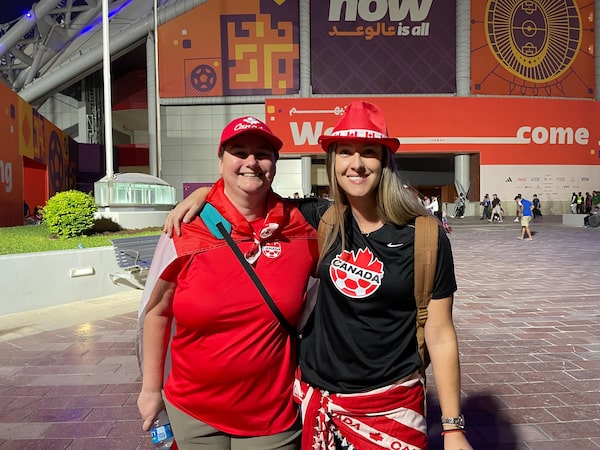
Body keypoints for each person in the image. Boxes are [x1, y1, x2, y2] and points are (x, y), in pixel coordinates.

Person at [167, 102, 472, 450]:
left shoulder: (425, 237)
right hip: (314, 400)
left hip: (389, 406)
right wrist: (202, 195)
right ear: (332, 161)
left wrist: (453, 428)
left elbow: (441, 333)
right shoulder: (319, 218)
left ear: (385, 161)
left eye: (369, 152)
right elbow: (249, 190)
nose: (356, 164)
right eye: (345, 152)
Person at [137, 116, 319, 450]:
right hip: (192, 412)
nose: (251, 161)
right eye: (239, 152)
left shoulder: (302, 229)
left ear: (275, 165)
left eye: (263, 153)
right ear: (221, 161)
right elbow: (157, 312)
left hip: (273, 417)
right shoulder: (185, 227)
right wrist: (151, 390)